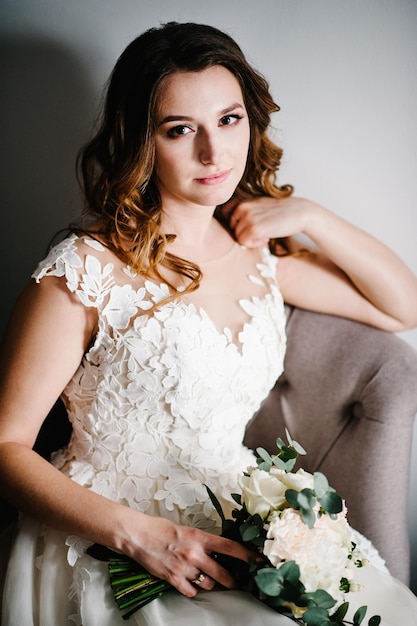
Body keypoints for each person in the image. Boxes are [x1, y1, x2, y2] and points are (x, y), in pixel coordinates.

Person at [1, 21, 417, 626]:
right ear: (142, 142)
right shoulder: (86, 271)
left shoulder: (258, 253)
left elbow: (403, 305)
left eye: (229, 120)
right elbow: (6, 445)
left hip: (234, 521)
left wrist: (312, 216)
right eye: (179, 130)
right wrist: (139, 536)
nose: (214, 153)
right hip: (109, 537)